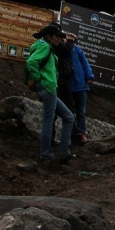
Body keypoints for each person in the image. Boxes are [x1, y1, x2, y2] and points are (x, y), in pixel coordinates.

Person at [26, 23, 76, 163]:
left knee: (69, 117)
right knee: (49, 120)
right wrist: (39, 80)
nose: (60, 39)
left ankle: (64, 152)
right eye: (57, 36)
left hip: (49, 88)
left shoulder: (47, 47)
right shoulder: (44, 46)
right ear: (49, 37)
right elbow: (31, 63)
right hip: (47, 87)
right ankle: (45, 153)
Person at [66, 33, 94, 145]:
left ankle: (81, 133)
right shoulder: (63, 50)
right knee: (71, 112)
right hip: (69, 86)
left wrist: (89, 76)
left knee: (80, 112)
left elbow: (85, 64)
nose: (70, 42)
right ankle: (73, 134)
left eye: (72, 40)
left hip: (81, 85)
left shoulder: (78, 51)